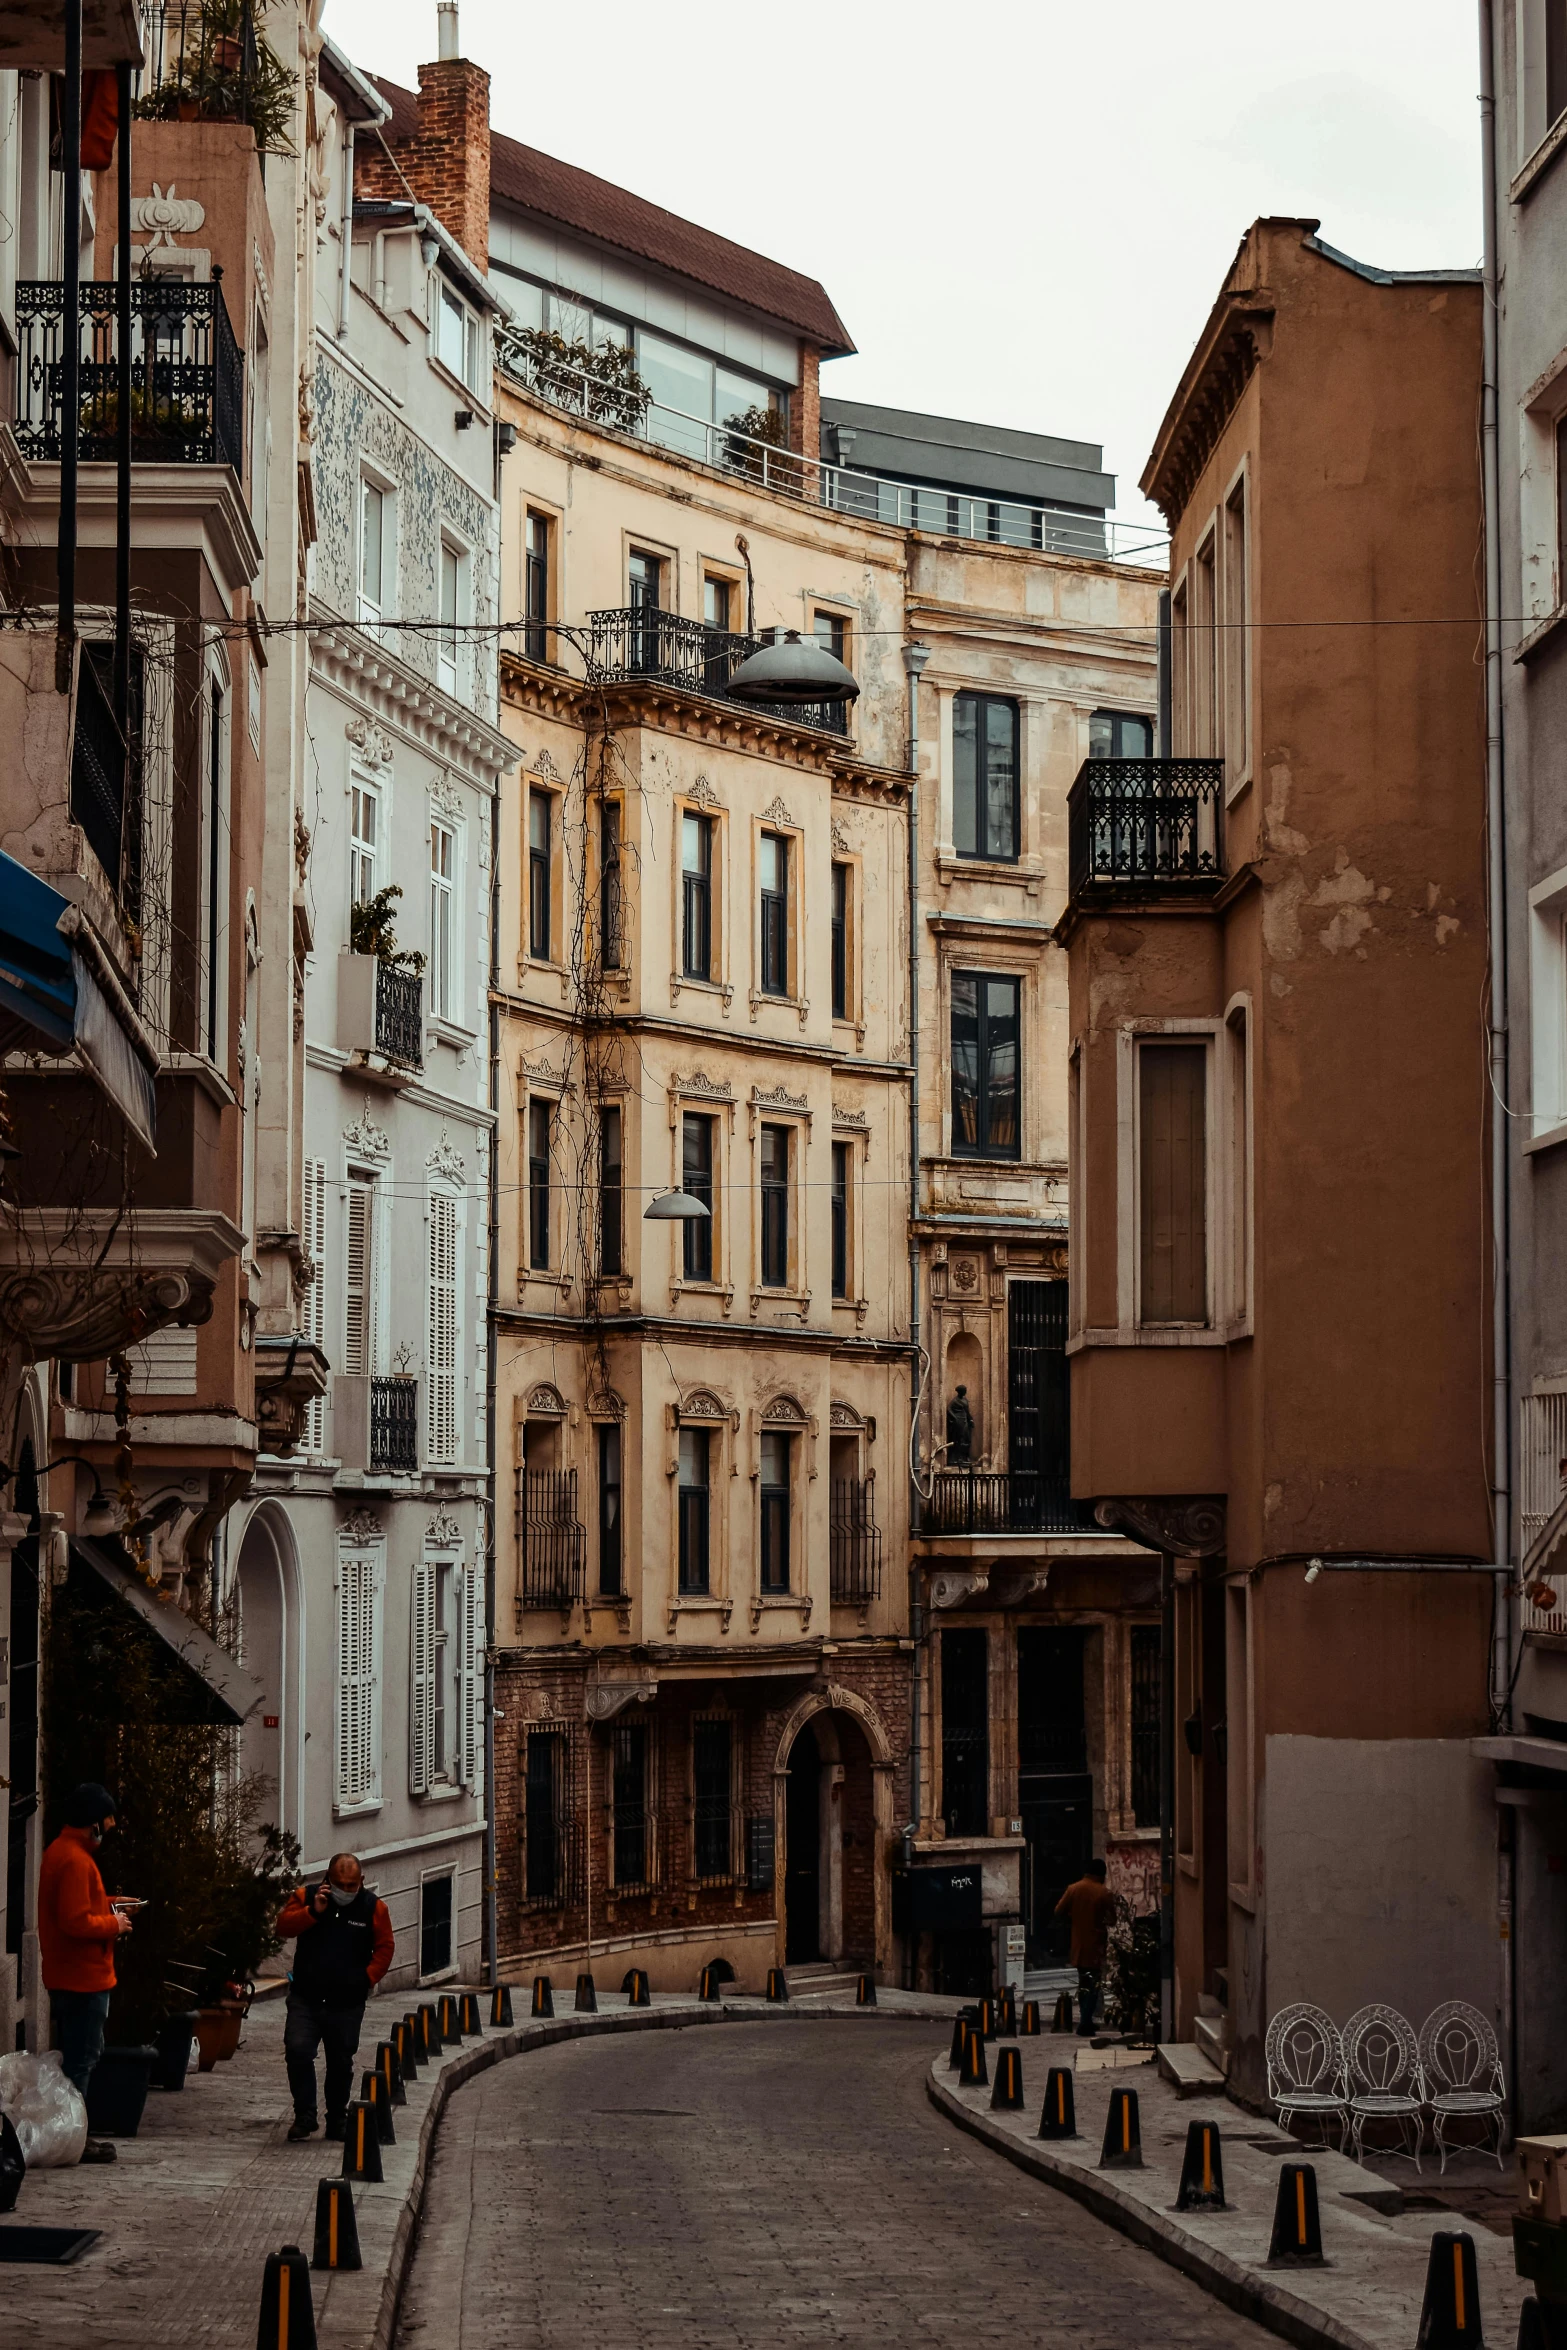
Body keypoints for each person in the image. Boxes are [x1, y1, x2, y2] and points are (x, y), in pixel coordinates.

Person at [37, 1782, 134, 2164]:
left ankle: (74, 2133)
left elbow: (80, 1907)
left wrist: (111, 1904)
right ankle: (76, 2135)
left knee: (79, 2055)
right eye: (107, 1821)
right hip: (82, 1977)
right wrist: (117, 1925)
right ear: (92, 1822)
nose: (109, 1829)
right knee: (83, 2059)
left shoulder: (62, 1852)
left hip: (70, 1975)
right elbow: (77, 1922)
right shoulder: (76, 1860)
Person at [277, 1852, 394, 2141]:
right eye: (339, 1884)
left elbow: (385, 1947)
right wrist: (313, 1912)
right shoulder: (306, 1896)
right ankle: (305, 2115)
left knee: (341, 2062)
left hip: (347, 2002)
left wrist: (366, 1979)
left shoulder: (374, 1908)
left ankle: (337, 2119)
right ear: (327, 1879)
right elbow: (283, 1927)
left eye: (351, 1885)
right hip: (306, 1996)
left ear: (362, 1882)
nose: (345, 1890)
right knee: (298, 2051)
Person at [1054, 1857, 1118, 2037]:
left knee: (1083, 1983)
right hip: (1096, 1945)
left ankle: (1086, 2019)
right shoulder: (1103, 1893)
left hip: (1078, 1944)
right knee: (1094, 1984)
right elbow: (1112, 1920)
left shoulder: (1073, 1889)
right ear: (1101, 1874)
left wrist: (1073, 1916)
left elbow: (1058, 1911)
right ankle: (1085, 2022)